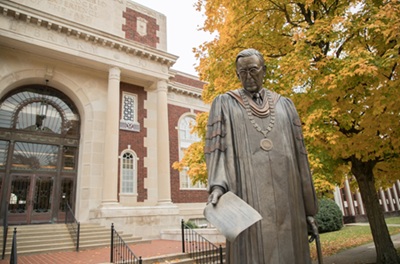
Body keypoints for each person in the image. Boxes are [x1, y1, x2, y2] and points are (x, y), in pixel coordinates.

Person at [205, 48, 318, 263]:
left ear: (264, 70)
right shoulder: (224, 104)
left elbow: (301, 158)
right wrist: (217, 186)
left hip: (289, 200)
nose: (248, 76)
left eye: (253, 70)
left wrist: (309, 208)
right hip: (247, 197)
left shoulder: (285, 106)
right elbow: (216, 150)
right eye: (242, 72)